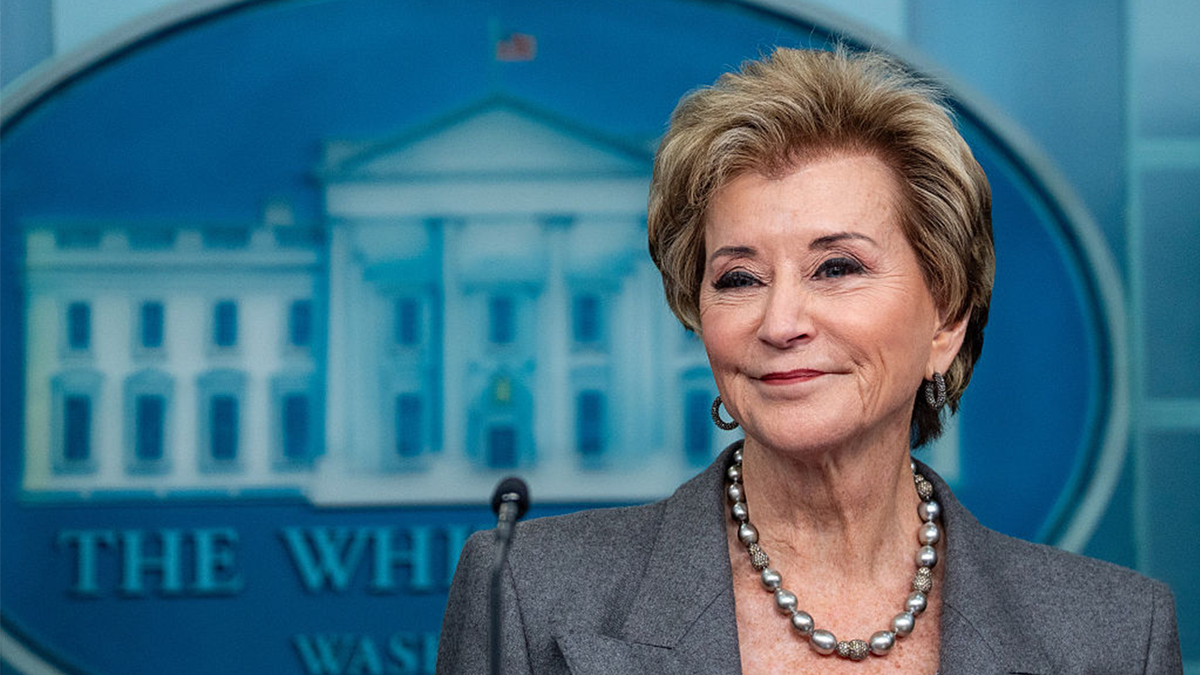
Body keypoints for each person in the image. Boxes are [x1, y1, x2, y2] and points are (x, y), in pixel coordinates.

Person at [435, 46, 1183, 675]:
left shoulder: (1118, 635)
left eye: (836, 267)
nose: (781, 322)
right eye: (739, 278)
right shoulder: (525, 595)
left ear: (946, 320)